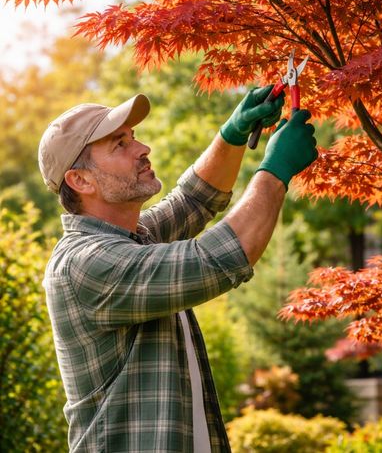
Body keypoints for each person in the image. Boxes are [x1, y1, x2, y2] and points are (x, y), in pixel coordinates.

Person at [38, 86, 317, 453]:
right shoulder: (84, 264)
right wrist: (275, 171)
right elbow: (218, 258)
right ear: (80, 180)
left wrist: (231, 133)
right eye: (119, 144)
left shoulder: (137, 238)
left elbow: (194, 198)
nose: (142, 149)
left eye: (133, 137)